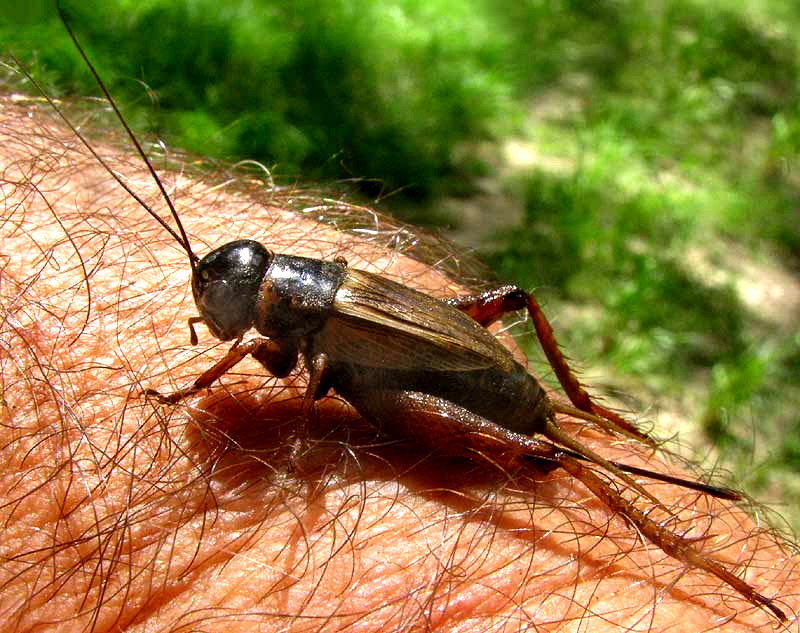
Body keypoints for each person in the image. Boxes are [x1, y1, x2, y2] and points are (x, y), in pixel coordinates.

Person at [0, 96, 796, 632]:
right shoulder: (300, 305)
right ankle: (589, 417)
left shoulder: (289, 328)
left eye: (231, 302)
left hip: (458, 394)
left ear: (266, 297)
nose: (228, 320)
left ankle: (681, 542)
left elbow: (270, 360)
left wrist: (215, 389)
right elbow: (276, 359)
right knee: (513, 307)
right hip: (395, 366)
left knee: (552, 449)